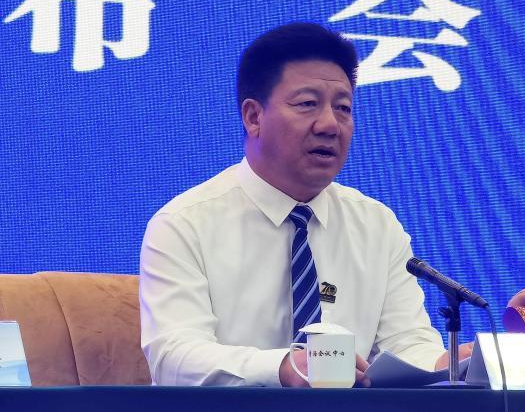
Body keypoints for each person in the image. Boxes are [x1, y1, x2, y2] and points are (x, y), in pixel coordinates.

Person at [139, 22, 472, 387]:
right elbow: (174, 358)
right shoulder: (183, 224)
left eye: (343, 108)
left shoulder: (376, 224)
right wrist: (284, 368)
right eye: (307, 104)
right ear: (254, 117)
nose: (330, 124)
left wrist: (454, 362)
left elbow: (406, 344)